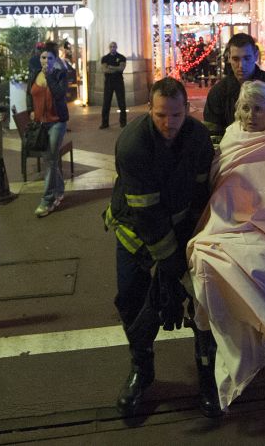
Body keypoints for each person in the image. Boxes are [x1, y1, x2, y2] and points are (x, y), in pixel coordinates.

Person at [187, 81, 265, 412]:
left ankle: (250, 347)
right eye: (245, 108)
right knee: (204, 260)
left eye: (258, 108)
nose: (250, 115)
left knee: (259, 262)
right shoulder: (229, 138)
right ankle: (229, 349)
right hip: (224, 223)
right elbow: (220, 186)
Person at [103, 78, 216, 418]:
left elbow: (200, 194)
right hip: (135, 232)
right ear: (149, 110)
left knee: (202, 303)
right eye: (161, 115)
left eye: (177, 115)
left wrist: (193, 244)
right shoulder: (132, 144)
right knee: (133, 302)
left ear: (188, 110)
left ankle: (207, 373)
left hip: (182, 230)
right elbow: (147, 215)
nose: (169, 124)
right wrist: (171, 266)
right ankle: (142, 369)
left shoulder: (198, 139)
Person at [203, 33, 265, 140]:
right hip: (232, 150)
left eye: (247, 58)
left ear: (256, 56)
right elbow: (213, 133)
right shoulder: (218, 91)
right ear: (229, 58)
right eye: (236, 59)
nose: (241, 65)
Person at [30, 42, 70, 217]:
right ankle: (59, 190)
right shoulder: (34, 74)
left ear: (55, 60)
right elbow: (29, 93)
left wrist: (50, 77)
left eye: (50, 58)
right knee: (51, 159)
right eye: (43, 57)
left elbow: (60, 95)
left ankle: (47, 201)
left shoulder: (60, 74)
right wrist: (31, 110)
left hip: (57, 122)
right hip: (41, 123)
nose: (46, 61)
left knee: (50, 160)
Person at [100, 41, 127, 129]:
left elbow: (122, 68)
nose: (113, 48)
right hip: (108, 83)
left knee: (121, 103)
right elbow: (105, 70)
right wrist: (116, 68)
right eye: (111, 46)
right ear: (109, 47)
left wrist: (111, 67)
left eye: (114, 46)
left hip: (119, 82)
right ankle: (105, 123)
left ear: (116, 47)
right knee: (106, 103)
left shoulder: (121, 57)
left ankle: (123, 122)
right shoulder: (105, 58)